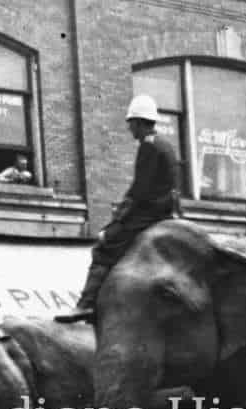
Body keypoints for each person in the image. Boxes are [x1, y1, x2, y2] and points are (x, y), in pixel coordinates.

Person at [55, 94, 180, 323]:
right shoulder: (166, 146)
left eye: (131, 123)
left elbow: (138, 192)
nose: (129, 128)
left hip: (149, 213)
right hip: (165, 211)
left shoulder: (149, 147)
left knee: (104, 248)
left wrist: (115, 223)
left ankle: (87, 304)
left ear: (140, 122)